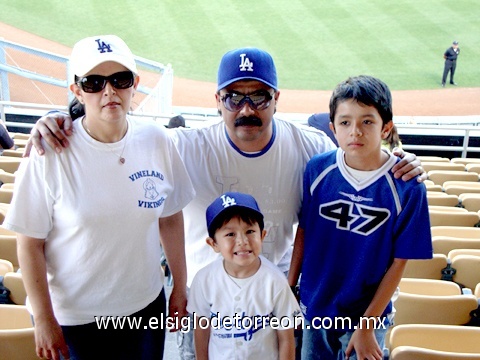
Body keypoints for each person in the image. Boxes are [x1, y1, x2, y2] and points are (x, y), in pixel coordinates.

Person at [25, 47, 426, 359]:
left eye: (259, 97)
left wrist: (402, 161)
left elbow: (357, 156)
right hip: (207, 302)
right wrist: (61, 119)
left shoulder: (312, 147)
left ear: (276, 98)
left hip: (277, 301)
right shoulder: (181, 145)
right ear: (217, 99)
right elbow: (119, 136)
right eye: (234, 97)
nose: (247, 108)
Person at [3, 35, 195, 360]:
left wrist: (179, 284)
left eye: (119, 80)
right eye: (94, 82)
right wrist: (45, 319)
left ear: (135, 84)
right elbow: (29, 242)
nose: (109, 92)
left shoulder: (157, 141)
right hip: (75, 321)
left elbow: (170, 218)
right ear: (76, 90)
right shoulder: (48, 152)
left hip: (145, 309)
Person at [288, 75, 433, 360]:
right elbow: (304, 232)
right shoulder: (317, 170)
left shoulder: (407, 186)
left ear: (386, 127)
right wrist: (289, 288)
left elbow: (399, 261)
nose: (355, 131)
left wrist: (367, 327)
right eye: (345, 122)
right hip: (316, 307)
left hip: (367, 314)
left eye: (367, 121)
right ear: (333, 128)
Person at [188, 192, 301, 360]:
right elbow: (202, 330)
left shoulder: (275, 281)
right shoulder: (204, 280)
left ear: (262, 236)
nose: (242, 241)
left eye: (250, 231)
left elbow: (286, 338)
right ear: (213, 244)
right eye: (230, 234)